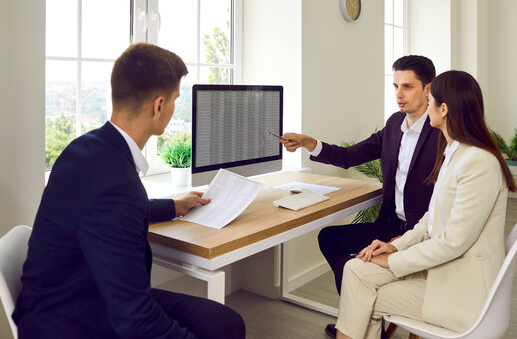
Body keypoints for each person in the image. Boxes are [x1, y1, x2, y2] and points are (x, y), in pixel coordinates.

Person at [13, 43, 246, 339]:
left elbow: (103, 214)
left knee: (224, 323)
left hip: (77, 294)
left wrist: (172, 206)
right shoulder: (116, 185)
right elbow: (137, 322)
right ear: (158, 106)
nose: (174, 108)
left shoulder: (87, 147)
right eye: (175, 99)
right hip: (70, 319)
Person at [335, 70, 517, 339]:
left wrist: (393, 261)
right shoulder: (455, 152)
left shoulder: (479, 162)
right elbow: (432, 219)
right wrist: (394, 246)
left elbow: (453, 242)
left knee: (366, 293)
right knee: (356, 269)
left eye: (430, 100)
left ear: (443, 109)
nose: (426, 106)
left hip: (460, 291)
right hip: (443, 273)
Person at [280, 55, 440, 338]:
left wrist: (402, 242)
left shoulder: (440, 131)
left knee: (355, 265)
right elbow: (348, 156)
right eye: (395, 86)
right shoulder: (394, 125)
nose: (399, 95)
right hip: (391, 223)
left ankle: (356, 321)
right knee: (329, 239)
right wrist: (308, 143)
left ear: (428, 89)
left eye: (407, 87)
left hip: (421, 234)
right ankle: (359, 317)